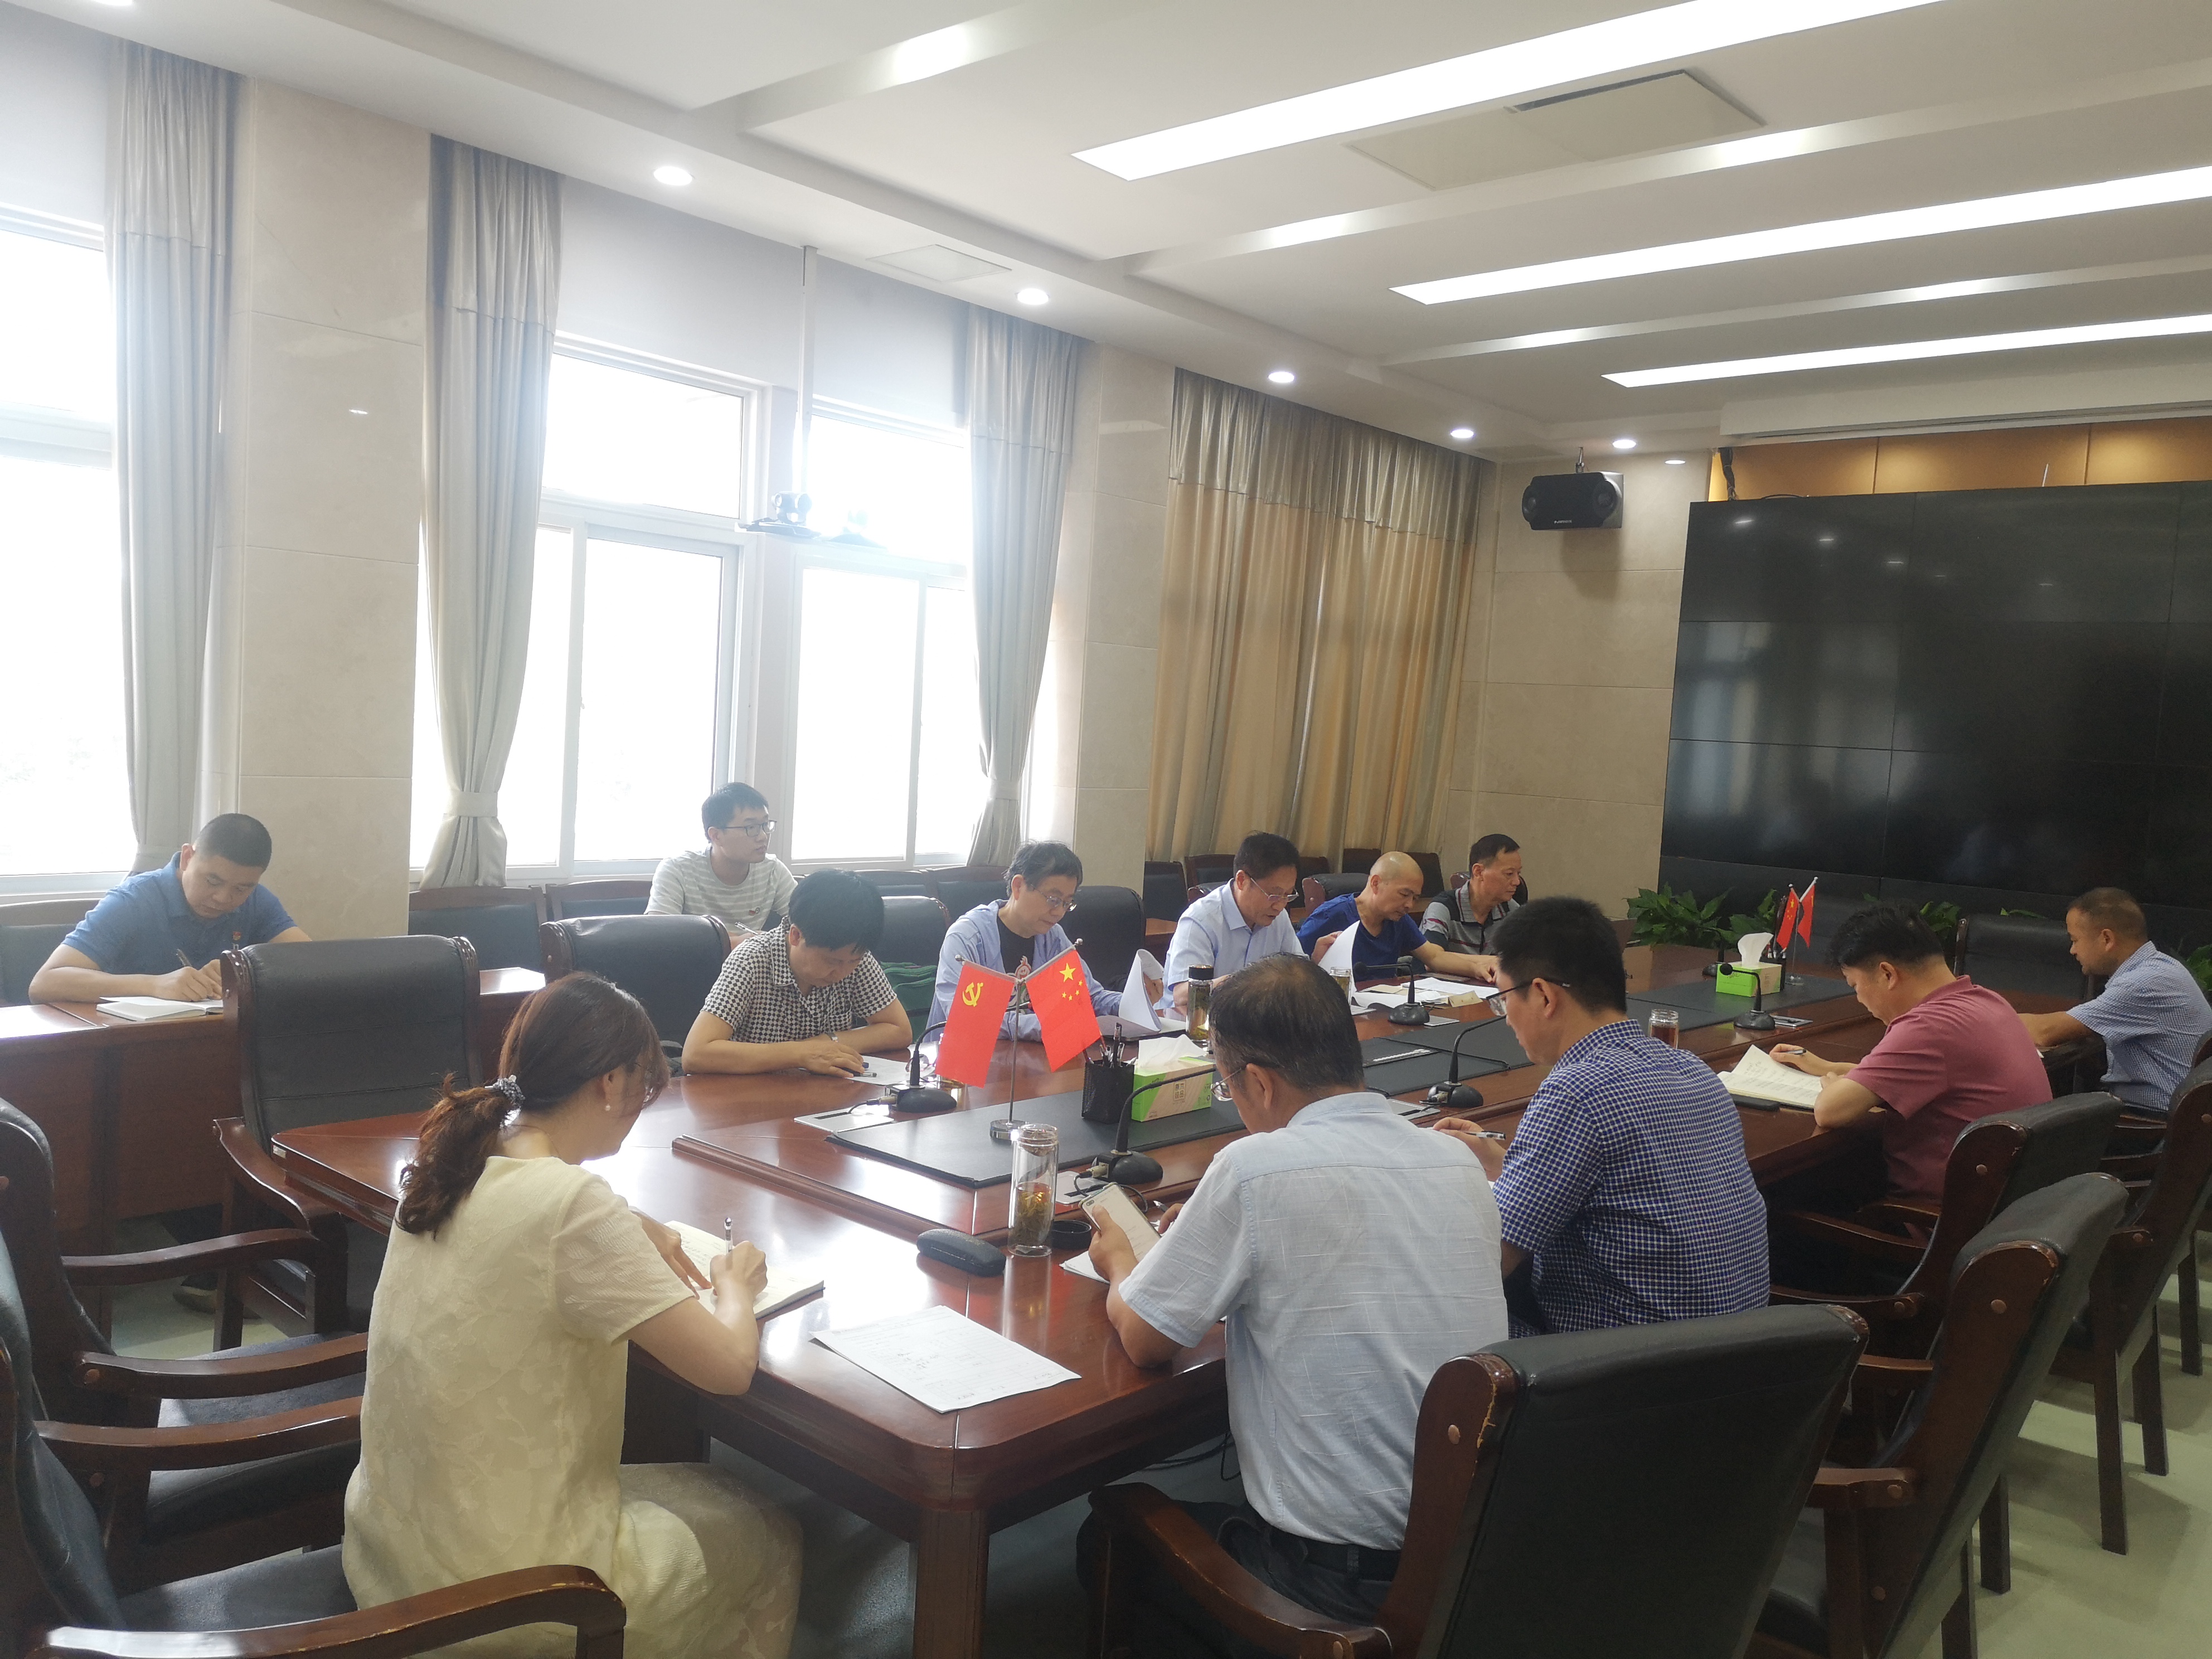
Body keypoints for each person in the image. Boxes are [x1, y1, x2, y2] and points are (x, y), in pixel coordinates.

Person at [345, 972, 800, 1659]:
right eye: (643, 1087)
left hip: (392, 1559)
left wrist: (624, 1219)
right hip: (518, 1593)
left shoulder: (454, 1161)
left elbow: (533, 1232)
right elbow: (729, 1369)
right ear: (611, 1084)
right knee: (769, 1529)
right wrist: (733, 1284)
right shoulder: (571, 1206)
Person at [1081, 955, 1507, 1651]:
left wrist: (1120, 1260)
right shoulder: (1459, 1162)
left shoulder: (1253, 1170)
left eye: (1227, 1084)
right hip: (1468, 1564)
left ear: (1256, 1080)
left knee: (1104, 1533)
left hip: (1331, 1593)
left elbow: (1145, 1337)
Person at [1435, 896, 1768, 1335]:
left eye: (1504, 1000)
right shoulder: (1691, 1068)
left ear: (1543, 995)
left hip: (1629, 1365)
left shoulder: (1576, 1091)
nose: (1507, 1019)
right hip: (1743, 1353)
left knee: (1434, 1313)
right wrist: (1505, 1163)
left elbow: (1487, 1261)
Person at [1771, 903, 2050, 1203]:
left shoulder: (1928, 1026)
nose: (1859, 999)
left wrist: (1833, 1086)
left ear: (1887, 974)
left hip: (1942, 1219)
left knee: (1786, 1195)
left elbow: (1830, 1111)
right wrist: (1834, 1068)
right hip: (2014, 1210)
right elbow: (1933, 1076)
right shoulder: (1987, 1001)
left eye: (1855, 985)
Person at [28, 813, 309, 1004]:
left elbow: (313, 965)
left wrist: (245, 971)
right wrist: (154, 985)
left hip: (217, 1042)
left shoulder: (257, 900)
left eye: (241, 888)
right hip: (132, 1044)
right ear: (187, 858)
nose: (223, 898)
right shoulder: (134, 901)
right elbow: (45, 983)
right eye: (213, 881)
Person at [681, 869, 911, 1076]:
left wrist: (828, 1042)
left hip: (824, 1093)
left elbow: (899, 1030)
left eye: (853, 961)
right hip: (752, 1094)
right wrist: (801, 1053)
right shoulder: (752, 960)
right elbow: (696, 1053)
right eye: (832, 961)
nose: (842, 973)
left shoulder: (854, 957)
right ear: (796, 936)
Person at [2017, 887, 2212, 1115]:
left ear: (2107, 939)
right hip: (2181, 1113)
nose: (2073, 950)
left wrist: (1991, 1016)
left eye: (2075, 940)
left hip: (2153, 1121)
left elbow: (2044, 1033)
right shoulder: (2163, 966)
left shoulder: (2141, 983)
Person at [928, 841, 1120, 1044]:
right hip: (962, 1055)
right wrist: (1046, 1025)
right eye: (1053, 899)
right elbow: (968, 1017)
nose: (1059, 912)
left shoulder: (1052, 937)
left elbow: (1090, 997)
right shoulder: (968, 937)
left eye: (1067, 903)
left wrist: (1133, 1003)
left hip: (1029, 1056)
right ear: (1018, 886)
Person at [1295, 851, 1495, 984]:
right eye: (1404, 894)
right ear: (1376, 884)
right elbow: (1291, 966)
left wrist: (1479, 967)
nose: (1410, 905)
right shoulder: (1331, 916)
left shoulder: (1398, 919)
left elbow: (1434, 957)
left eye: (1415, 898)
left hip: (1383, 1008)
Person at [1162, 832, 1305, 1016]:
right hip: (1193, 1027)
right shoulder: (1201, 920)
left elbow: (1296, 975)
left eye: (1288, 895)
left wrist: (1314, 963)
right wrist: (1245, 984)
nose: (1280, 905)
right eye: (1274, 894)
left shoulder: (1280, 918)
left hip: (1252, 1024)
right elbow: (1183, 996)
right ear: (1242, 880)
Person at [646, 783, 795, 938]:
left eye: (765, 825)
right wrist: (736, 942)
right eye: (751, 827)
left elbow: (807, 921)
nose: (763, 836)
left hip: (752, 954)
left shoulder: (772, 870)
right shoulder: (677, 869)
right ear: (716, 836)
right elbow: (659, 935)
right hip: (696, 954)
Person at [1421, 833, 1523, 963]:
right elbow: (1431, 960)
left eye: (1518, 873)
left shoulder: (1510, 909)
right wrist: (1491, 963)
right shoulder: (1444, 908)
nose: (1517, 882)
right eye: (1509, 874)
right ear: (1479, 872)